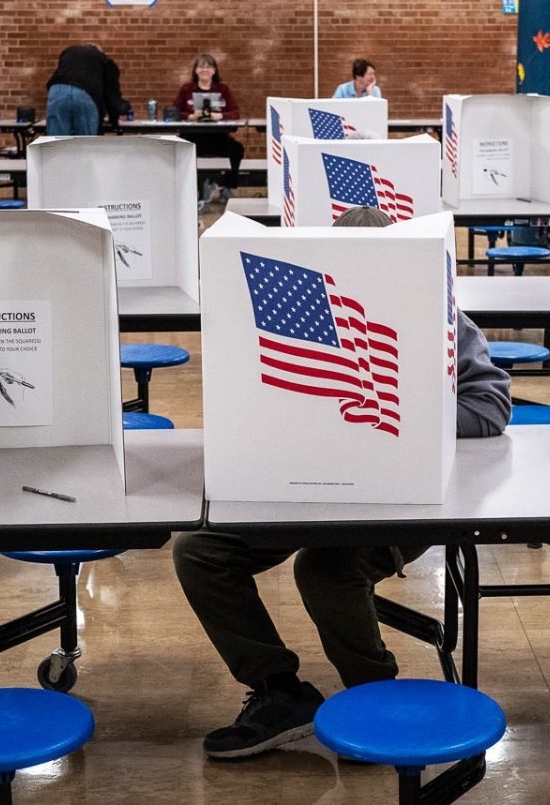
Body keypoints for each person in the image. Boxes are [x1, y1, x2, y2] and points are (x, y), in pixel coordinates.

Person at [173, 205, 511, 760]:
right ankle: (278, 690)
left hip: (398, 495)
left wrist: (403, 416)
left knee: (326, 570)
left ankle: (373, 693)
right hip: (306, 485)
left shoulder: (442, 314)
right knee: (200, 551)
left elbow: (491, 407)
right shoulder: (303, 313)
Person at [172, 53, 243, 205]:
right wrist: (190, 116)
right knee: (182, 151)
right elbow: (174, 112)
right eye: (201, 67)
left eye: (208, 67)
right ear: (195, 70)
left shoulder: (223, 89)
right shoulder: (187, 89)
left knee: (237, 149)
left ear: (214, 71)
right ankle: (195, 190)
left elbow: (235, 112)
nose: (205, 70)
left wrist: (221, 116)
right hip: (193, 137)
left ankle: (227, 185)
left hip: (218, 137)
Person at [45, 44, 124, 136]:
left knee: (56, 143)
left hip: (57, 91)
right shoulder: (104, 60)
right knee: (85, 144)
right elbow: (112, 95)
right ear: (100, 52)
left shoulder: (68, 51)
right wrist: (114, 120)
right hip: (85, 94)